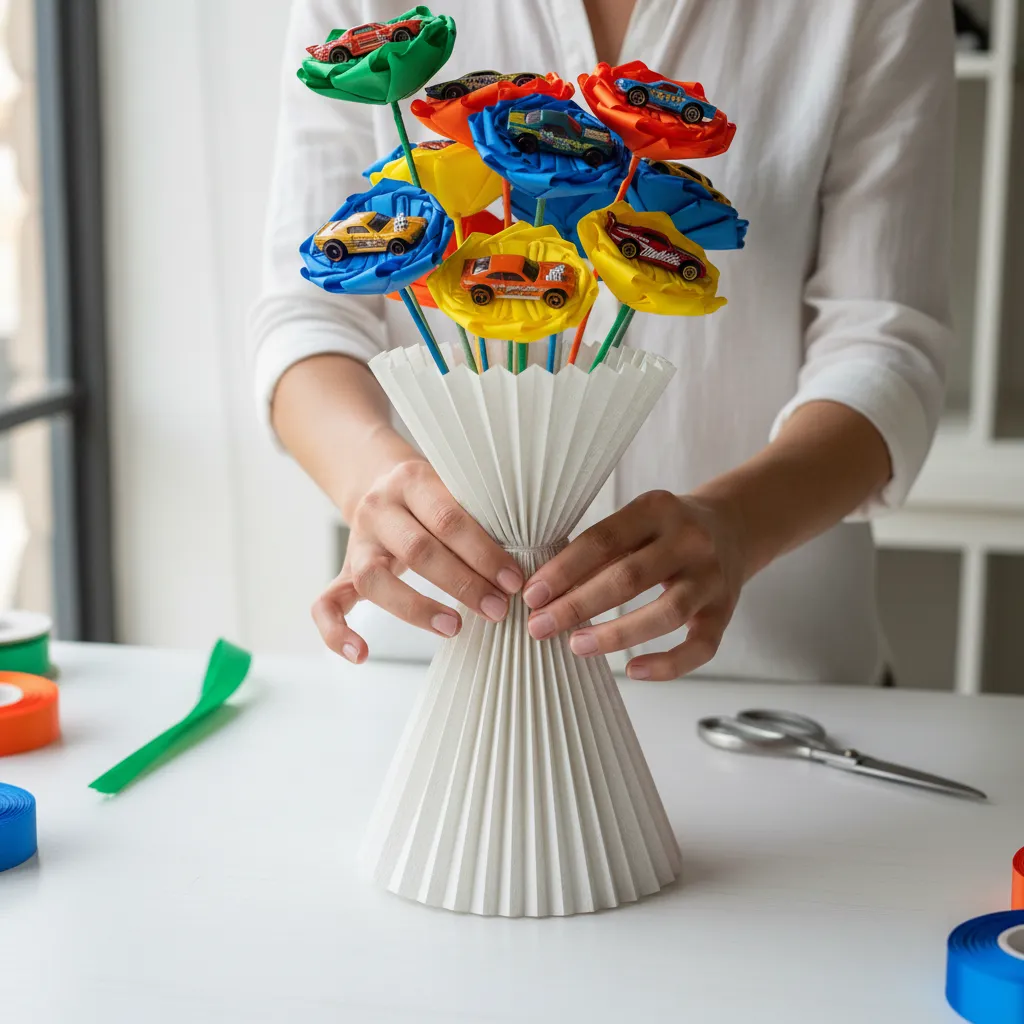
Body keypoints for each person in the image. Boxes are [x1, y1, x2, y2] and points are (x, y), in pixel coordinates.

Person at [251, 0, 953, 685]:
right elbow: (306, 314)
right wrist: (372, 477)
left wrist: (738, 523)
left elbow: (885, 344)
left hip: (764, 674)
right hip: (434, 659)